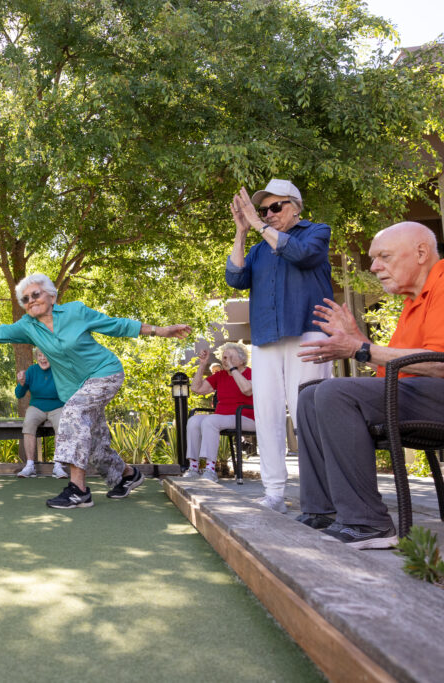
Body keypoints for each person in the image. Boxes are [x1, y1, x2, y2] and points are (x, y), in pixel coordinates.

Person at [0, 273, 189, 508]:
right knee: (95, 445)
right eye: (25, 299)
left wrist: (160, 330)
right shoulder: (28, 326)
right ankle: (128, 474)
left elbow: (117, 325)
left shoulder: (76, 312)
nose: (31, 301)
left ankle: (79, 490)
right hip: (76, 389)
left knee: (73, 413)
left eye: (36, 294)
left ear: (52, 296)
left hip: (105, 373)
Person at [295, 222, 444, 549]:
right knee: (310, 394)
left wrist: (360, 349)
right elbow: (396, 367)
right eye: (374, 258)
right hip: (419, 393)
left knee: (336, 392)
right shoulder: (413, 300)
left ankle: (368, 523)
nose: (375, 266)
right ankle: (323, 511)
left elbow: (437, 361)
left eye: (384, 256)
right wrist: (358, 340)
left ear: (421, 253)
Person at [226, 179, 333, 513]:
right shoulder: (257, 248)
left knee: (309, 414)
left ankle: (321, 495)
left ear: (296, 207)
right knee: (268, 415)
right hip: (266, 338)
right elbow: (235, 277)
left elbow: (301, 255)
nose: (268, 214)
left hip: (309, 333)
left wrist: (257, 224)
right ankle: (274, 493)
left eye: (276, 207)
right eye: (263, 209)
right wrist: (242, 231)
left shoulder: (317, 231)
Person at [182, 343, 255, 482]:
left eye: (230, 357)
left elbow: (247, 390)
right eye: (224, 357)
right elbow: (196, 389)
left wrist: (233, 369)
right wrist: (202, 364)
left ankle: (209, 468)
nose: (225, 360)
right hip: (222, 418)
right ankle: (194, 466)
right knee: (194, 421)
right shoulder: (220, 375)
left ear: (242, 360)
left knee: (211, 421)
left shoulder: (250, 373)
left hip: (246, 417)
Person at [14, 348, 67, 479]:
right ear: (36, 357)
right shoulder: (31, 371)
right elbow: (18, 394)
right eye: (40, 355)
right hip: (37, 406)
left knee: (62, 425)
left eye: (46, 355)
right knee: (28, 423)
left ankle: (58, 465)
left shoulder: (59, 370)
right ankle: (30, 465)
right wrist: (21, 383)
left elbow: (69, 390)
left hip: (57, 406)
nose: (43, 358)